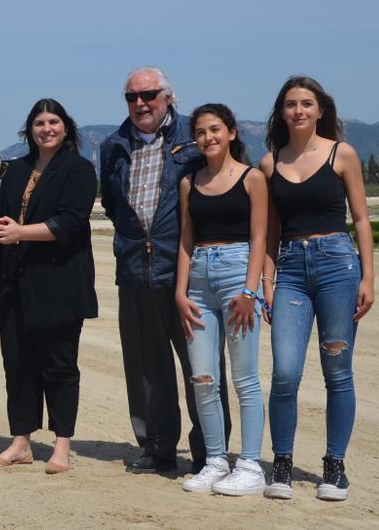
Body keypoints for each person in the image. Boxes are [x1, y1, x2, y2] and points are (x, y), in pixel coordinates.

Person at [98, 66, 230, 475]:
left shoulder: (195, 138)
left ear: (169, 97)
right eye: (132, 97)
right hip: (135, 271)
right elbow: (114, 206)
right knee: (145, 368)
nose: (141, 103)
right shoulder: (112, 146)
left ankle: (212, 451)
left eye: (149, 95)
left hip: (187, 272)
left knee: (201, 366)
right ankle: (157, 448)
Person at [258, 75, 375, 502]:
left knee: (337, 373)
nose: (298, 111)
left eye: (306, 103)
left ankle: (335, 466)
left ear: (320, 109)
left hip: (337, 267)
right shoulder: (270, 163)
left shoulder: (341, 155)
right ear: (282, 112)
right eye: (291, 104)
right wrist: (266, 284)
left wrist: (368, 276)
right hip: (289, 269)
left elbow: (361, 219)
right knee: (285, 372)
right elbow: (269, 232)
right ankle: (282, 464)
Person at [0, 98, 98, 475]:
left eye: (53, 121)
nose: (47, 128)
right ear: (30, 129)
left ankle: (62, 445)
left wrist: (18, 233)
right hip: (13, 281)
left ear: (65, 126)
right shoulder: (15, 170)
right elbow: (2, 219)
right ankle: (21, 441)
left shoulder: (79, 169)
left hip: (59, 282)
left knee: (59, 365)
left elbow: (70, 223)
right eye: (40, 122)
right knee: (18, 364)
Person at [175, 104, 268, 495]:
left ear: (231, 132)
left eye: (215, 130)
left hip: (238, 273)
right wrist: (180, 293)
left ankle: (249, 464)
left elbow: (261, 237)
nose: (208, 138)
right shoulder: (189, 182)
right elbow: (185, 240)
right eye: (200, 132)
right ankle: (215, 460)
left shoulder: (253, 179)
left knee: (244, 377)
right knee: (203, 378)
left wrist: (251, 291)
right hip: (198, 279)